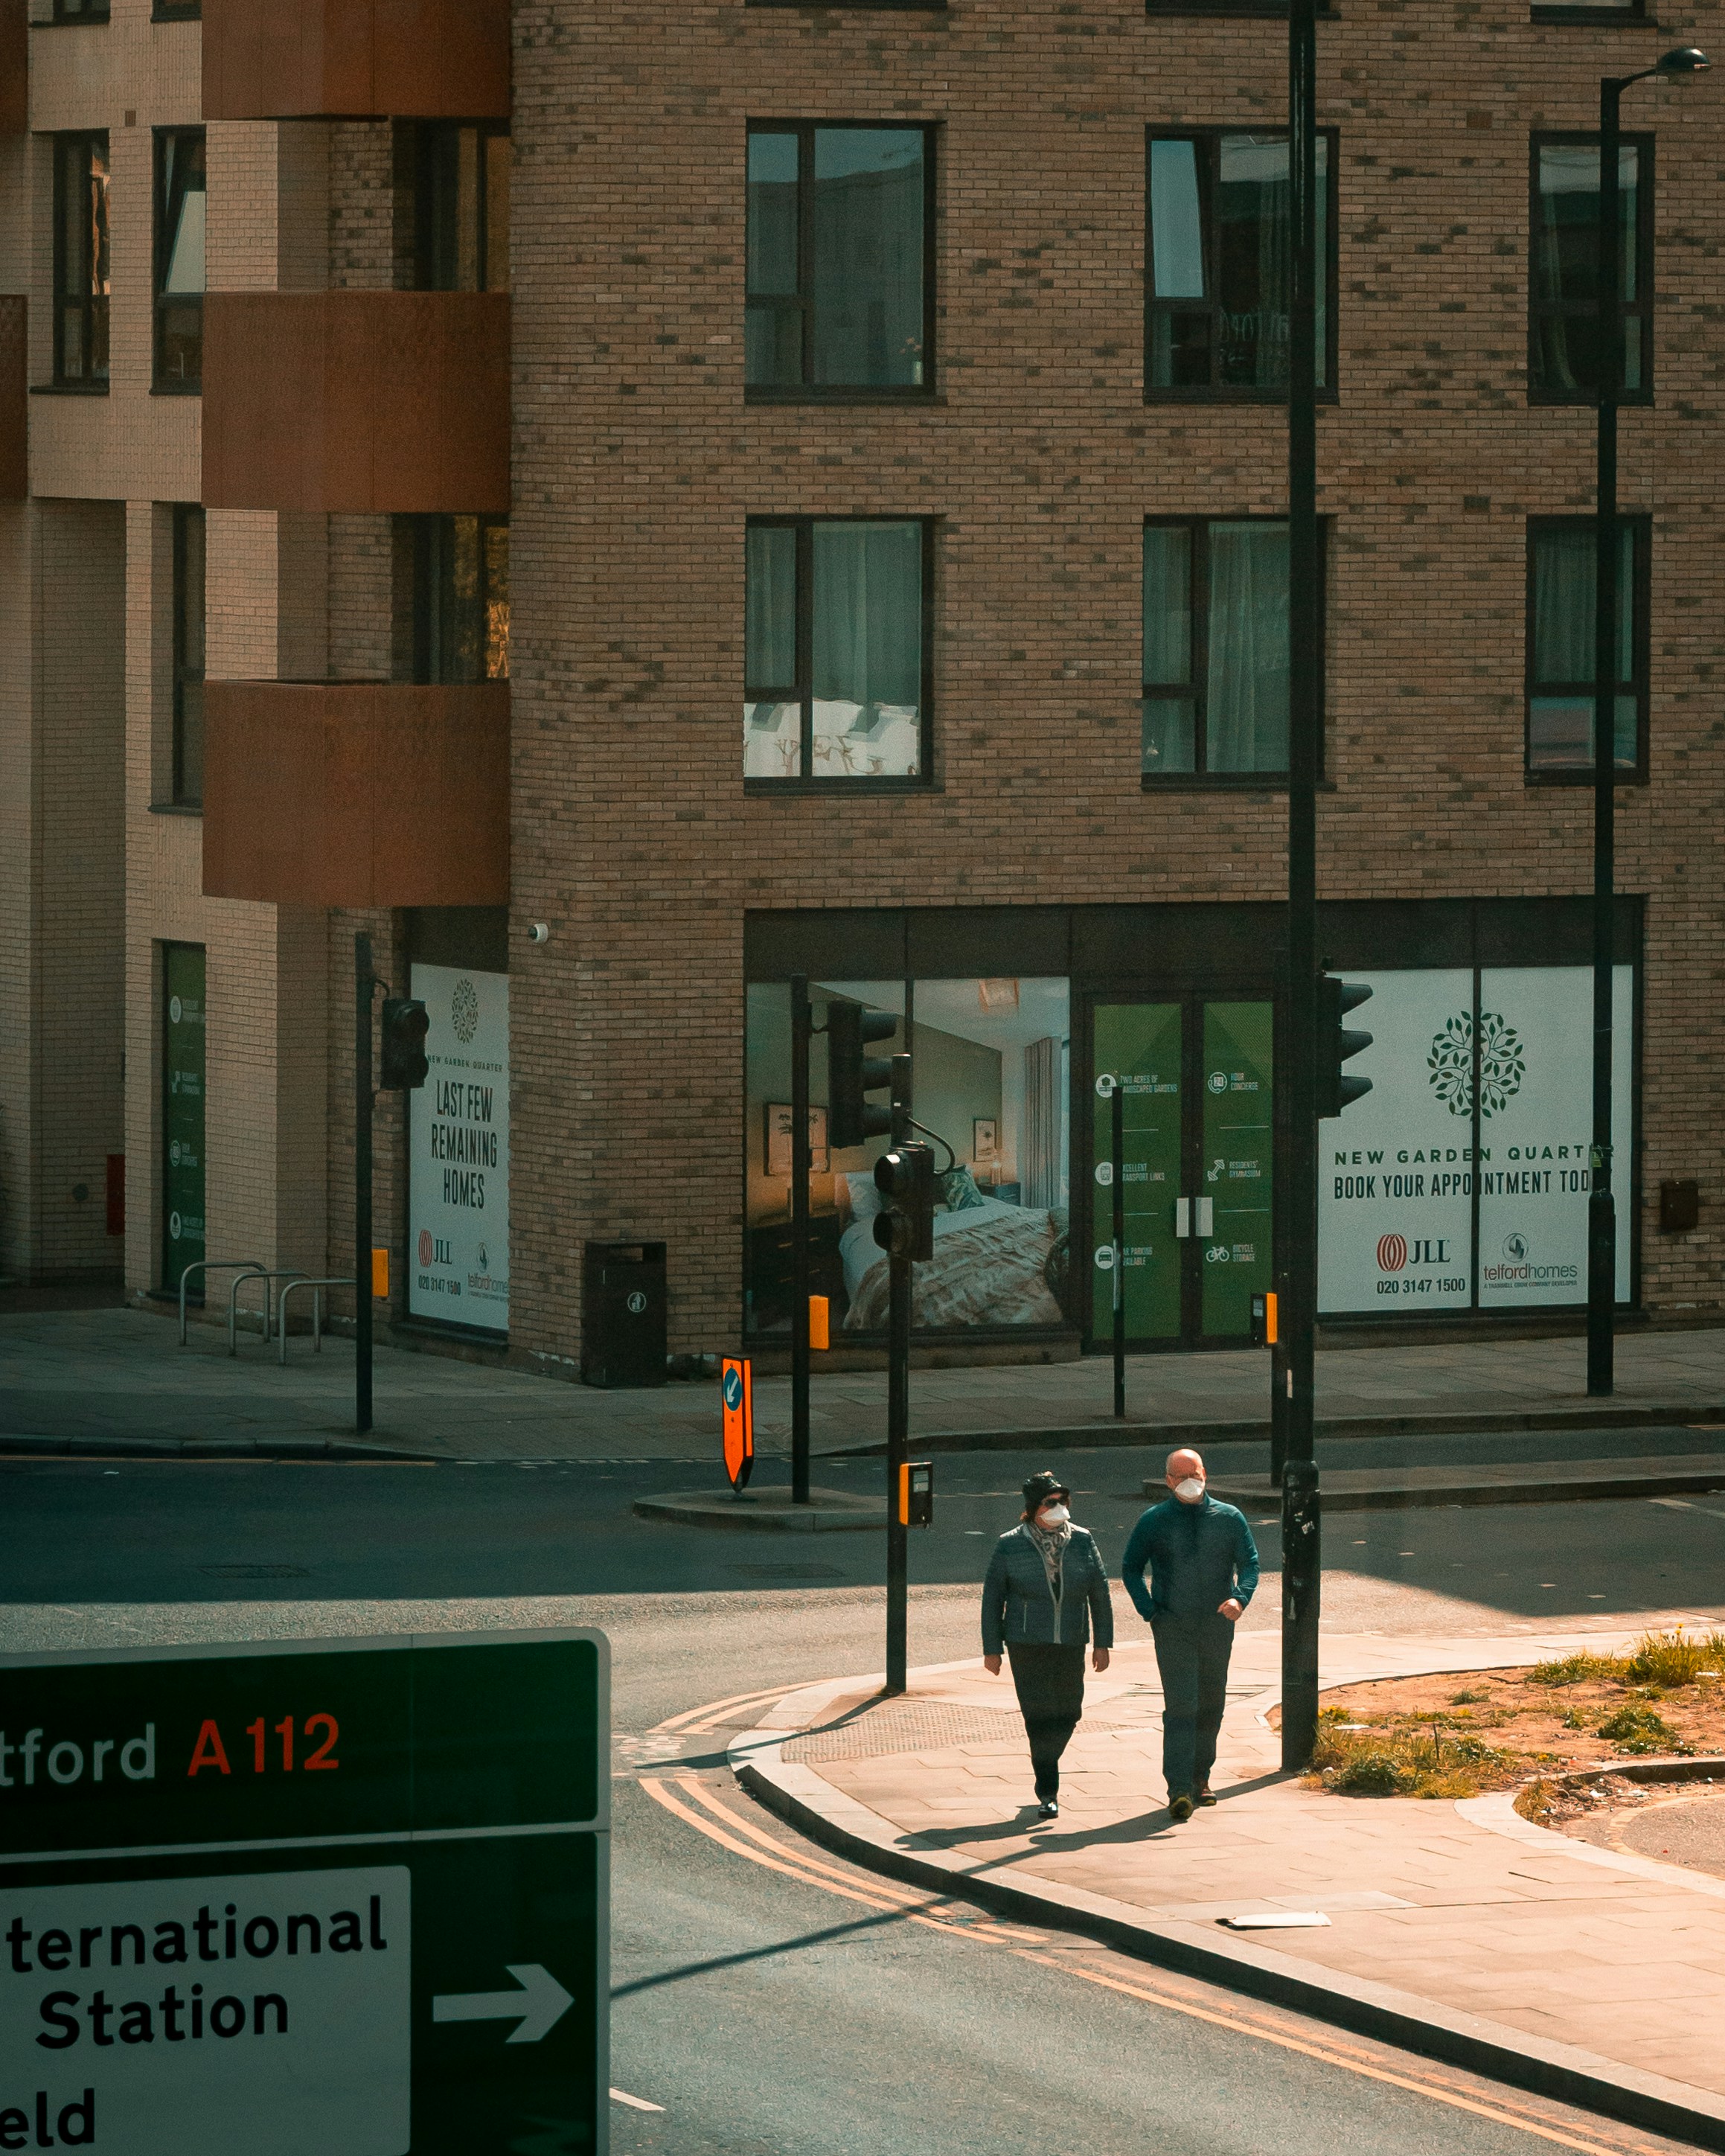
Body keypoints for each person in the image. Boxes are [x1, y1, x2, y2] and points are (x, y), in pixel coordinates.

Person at [1120, 1447, 1259, 1825]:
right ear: (1167, 1481)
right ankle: (1178, 1788)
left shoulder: (1229, 1518)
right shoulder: (1155, 1520)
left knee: (1211, 1703)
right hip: (1174, 1626)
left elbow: (1250, 1565)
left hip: (1217, 1625)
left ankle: (1201, 1778)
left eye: (1193, 1474)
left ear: (1205, 1473)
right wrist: (1151, 1611)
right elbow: (1131, 1569)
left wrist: (1239, 1598)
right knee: (1182, 1705)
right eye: (1179, 1477)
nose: (1187, 1482)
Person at [981, 1469, 1113, 1820]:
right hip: (1026, 1642)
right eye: (1051, 1503)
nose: (1060, 1508)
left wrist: (1103, 1643)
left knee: (1071, 1711)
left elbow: (1099, 1592)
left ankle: (1046, 1758)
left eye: (1063, 1502)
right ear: (1033, 1508)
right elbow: (992, 1597)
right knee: (1039, 1717)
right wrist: (992, 1648)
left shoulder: (1083, 1540)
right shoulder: (1010, 1543)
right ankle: (1048, 1791)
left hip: (1071, 1639)